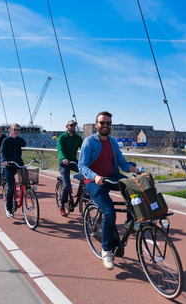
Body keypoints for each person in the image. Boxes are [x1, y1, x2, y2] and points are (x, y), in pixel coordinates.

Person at [79, 111, 139, 270]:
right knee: (109, 212)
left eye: (108, 123)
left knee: (132, 186)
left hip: (110, 175)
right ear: (96, 125)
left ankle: (130, 223)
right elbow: (82, 166)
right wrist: (94, 176)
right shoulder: (89, 142)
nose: (105, 125)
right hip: (93, 180)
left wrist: (134, 169)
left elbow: (122, 163)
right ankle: (106, 250)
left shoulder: (112, 142)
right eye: (102, 123)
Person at [57, 119, 83, 216]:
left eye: (74, 125)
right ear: (66, 126)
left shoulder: (78, 138)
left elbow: (84, 148)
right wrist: (63, 158)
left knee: (87, 174)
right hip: (64, 163)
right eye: (71, 125)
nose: (73, 127)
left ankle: (85, 193)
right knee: (67, 185)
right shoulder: (62, 138)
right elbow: (60, 150)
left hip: (73, 161)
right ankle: (61, 205)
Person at [0, 123, 27, 218]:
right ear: (10, 130)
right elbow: (2, 151)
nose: (16, 131)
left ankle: (27, 193)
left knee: (26, 181)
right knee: (11, 188)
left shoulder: (19, 140)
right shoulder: (6, 140)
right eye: (15, 129)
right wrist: (4, 161)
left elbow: (24, 144)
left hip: (19, 164)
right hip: (9, 165)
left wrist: (16, 138)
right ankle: (9, 209)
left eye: (18, 130)